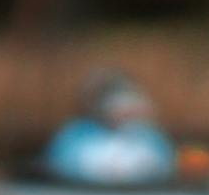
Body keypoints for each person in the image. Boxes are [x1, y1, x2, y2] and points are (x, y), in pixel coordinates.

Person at [44, 71, 179, 187]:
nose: (124, 115)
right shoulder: (75, 133)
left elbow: (164, 169)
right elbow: (59, 168)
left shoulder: (150, 136)